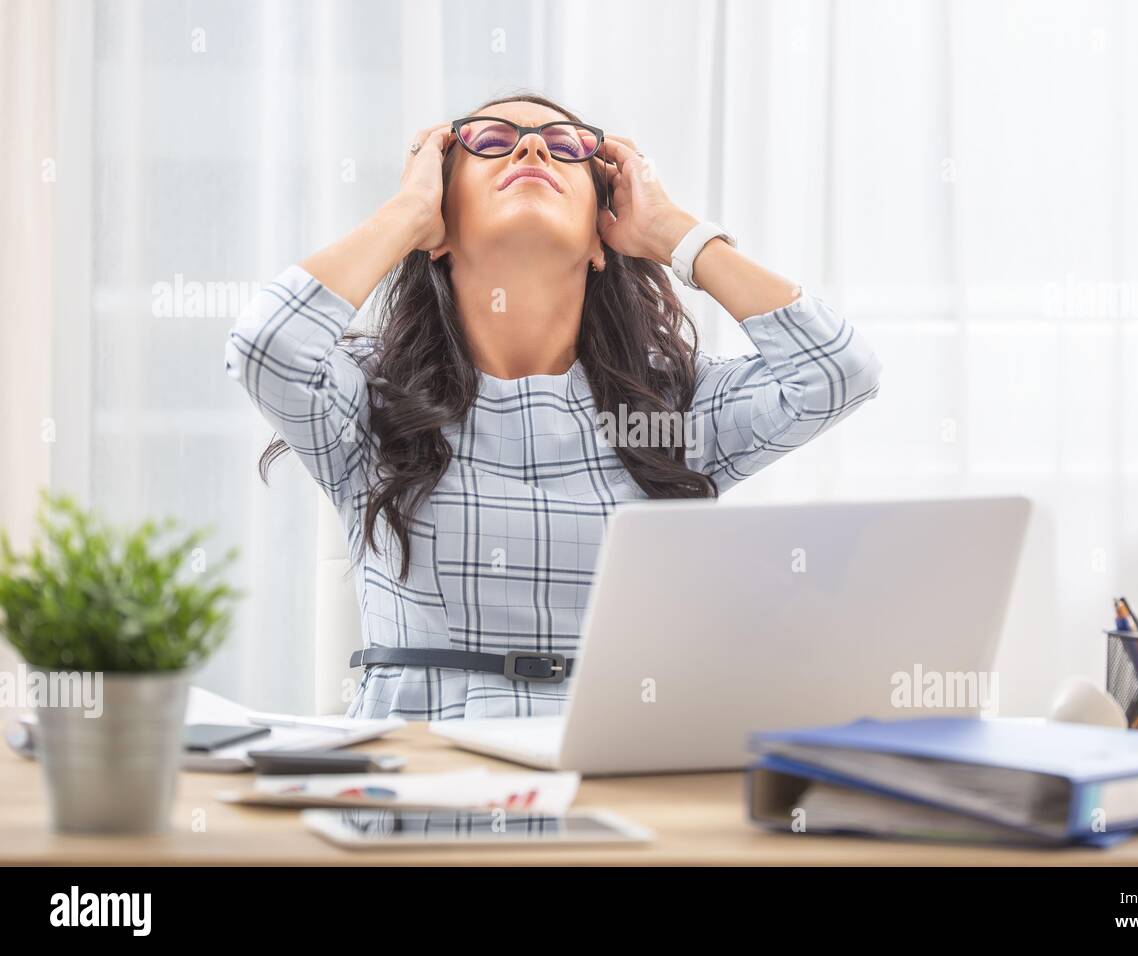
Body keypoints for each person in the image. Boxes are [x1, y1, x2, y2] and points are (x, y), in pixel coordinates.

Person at [225, 93, 882, 720]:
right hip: (424, 781)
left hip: (615, 773)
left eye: (565, 146)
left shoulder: (669, 404)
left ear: (602, 240)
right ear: (440, 227)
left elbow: (838, 371)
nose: (533, 151)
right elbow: (265, 347)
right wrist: (403, 219)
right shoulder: (374, 397)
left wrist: (675, 234)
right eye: (491, 141)